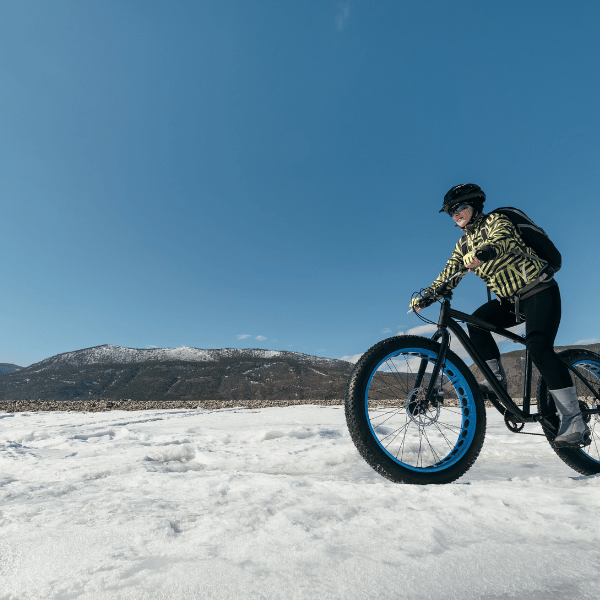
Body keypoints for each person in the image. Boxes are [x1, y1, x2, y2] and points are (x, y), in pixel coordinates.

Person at [409, 183, 590, 447]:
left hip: (539, 291)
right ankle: (496, 381)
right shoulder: (463, 244)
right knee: (477, 323)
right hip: (510, 302)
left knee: (538, 347)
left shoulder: (497, 221)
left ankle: (574, 420)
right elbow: (448, 273)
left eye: (460, 207)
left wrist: (485, 252)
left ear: (475, 206)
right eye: (451, 211)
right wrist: (429, 294)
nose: (455, 214)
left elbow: (502, 239)